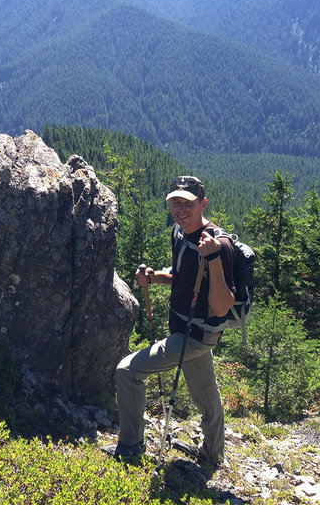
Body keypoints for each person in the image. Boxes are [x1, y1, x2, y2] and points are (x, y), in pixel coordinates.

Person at [104, 175, 235, 466]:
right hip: (187, 329)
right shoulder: (180, 232)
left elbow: (223, 305)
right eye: (175, 203)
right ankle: (212, 455)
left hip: (196, 334)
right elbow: (180, 277)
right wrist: (154, 277)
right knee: (206, 395)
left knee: (127, 371)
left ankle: (131, 446)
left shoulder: (219, 245)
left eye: (187, 203)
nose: (180, 209)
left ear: (202, 204)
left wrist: (212, 259)